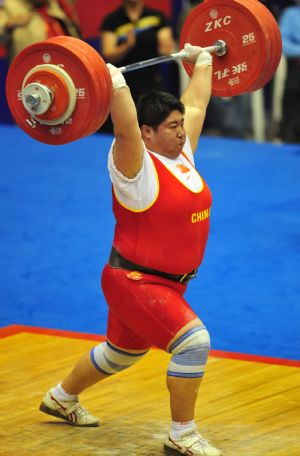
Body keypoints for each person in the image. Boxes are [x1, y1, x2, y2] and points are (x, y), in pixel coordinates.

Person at [39, 43, 222, 456]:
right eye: (171, 126)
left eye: (180, 124)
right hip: (136, 282)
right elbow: (123, 128)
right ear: (147, 132)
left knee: (122, 352)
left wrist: (204, 59)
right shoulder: (133, 167)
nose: (180, 130)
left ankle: (61, 398)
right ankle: (183, 434)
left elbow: (196, 104)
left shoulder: (180, 155)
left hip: (169, 285)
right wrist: (115, 85)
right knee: (193, 343)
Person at [100, 0, 175, 103]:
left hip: (153, 82)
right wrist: (127, 46)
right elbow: (109, 54)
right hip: (124, 84)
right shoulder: (111, 20)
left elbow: (166, 46)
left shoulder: (157, 16)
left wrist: (166, 48)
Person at [0, 0, 80, 63]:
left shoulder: (53, 3)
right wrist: (9, 25)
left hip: (66, 61)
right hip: (34, 70)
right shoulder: (9, 6)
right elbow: (2, 38)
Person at [278, 1, 300, 143]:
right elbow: (281, 41)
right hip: (297, 66)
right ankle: (288, 137)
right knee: (292, 105)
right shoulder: (291, 14)